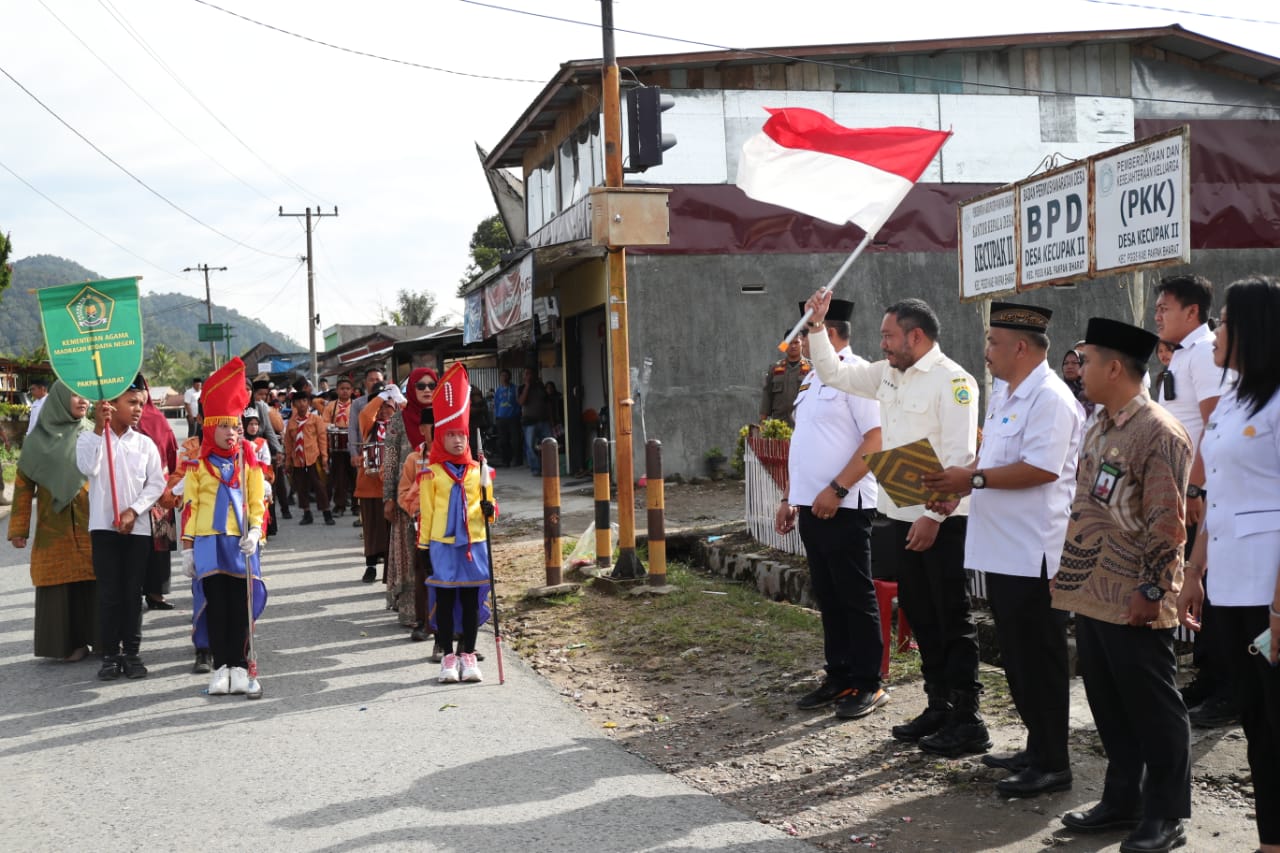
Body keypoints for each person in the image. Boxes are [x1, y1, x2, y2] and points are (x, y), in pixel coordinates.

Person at [804, 291, 985, 757]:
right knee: (921, 616)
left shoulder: (955, 381)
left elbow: (961, 458)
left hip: (941, 521)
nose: (882, 344)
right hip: (899, 514)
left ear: (916, 336)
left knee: (951, 617)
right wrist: (817, 326)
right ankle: (937, 705)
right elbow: (833, 372)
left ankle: (968, 717)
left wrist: (931, 516)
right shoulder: (887, 375)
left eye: (888, 336)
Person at [923, 302, 1083, 797]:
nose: (986, 351)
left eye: (993, 342)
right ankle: (1037, 746)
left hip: (1034, 552)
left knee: (1040, 658)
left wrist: (970, 477)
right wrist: (959, 488)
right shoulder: (1007, 394)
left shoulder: (1050, 399)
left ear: (1020, 346)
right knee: (1016, 658)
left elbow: (1042, 468)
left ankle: (1054, 763)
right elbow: (990, 457)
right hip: (1002, 549)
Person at [1052, 317, 1193, 853]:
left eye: (1086, 360)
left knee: (1155, 710)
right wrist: (1068, 576)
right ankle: (1121, 800)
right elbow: (1088, 505)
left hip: (1135, 595)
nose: (1078, 368)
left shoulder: (1158, 431)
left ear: (1115, 367)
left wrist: (1153, 591)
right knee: (1109, 705)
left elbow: (1167, 523)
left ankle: (1165, 814)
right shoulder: (1101, 425)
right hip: (1092, 590)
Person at [1176, 275, 1280, 853]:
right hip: (1231, 587)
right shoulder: (1234, 398)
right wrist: (1194, 575)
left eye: (1223, 321)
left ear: (1253, 328)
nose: (1215, 331)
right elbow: (1216, 496)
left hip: (1271, 592)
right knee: (1257, 721)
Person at [775, 299, 885, 720]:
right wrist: (790, 497)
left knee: (855, 596)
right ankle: (839, 675)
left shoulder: (855, 375)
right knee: (829, 594)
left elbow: (875, 439)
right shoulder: (810, 380)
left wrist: (837, 489)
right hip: (811, 506)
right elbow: (804, 444)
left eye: (805, 331)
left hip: (846, 504)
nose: (800, 340)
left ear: (828, 332)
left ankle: (869, 681)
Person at [1153, 273, 1234, 728]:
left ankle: (1228, 688)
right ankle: (1209, 677)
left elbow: (1212, 425)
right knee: (1196, 589)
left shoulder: (1204, 353)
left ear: (1192, 313)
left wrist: (1196, 488)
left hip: (1201, 492)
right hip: (1183, 487)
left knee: (1215, 591)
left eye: (1165, 308)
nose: (1158, 315)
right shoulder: (1184, 355)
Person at [179, 358, 268, 696]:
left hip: (240, 543)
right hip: (207, 544)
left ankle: (242, 666)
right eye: (225, 426)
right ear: (210, 427)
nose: (232, 432)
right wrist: (187, 549)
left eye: (236, 426)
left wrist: (257, 531)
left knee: (239, 608)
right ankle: (220, 667)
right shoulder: (197, 465)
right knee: (215, 606)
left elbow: (257, 502)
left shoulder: (250, 460)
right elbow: (190, 507)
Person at [77, 382, 166, 681]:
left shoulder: (144, 444)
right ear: (111, 405)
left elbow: (156, 484)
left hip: (137, 529)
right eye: (132, 402)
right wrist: (98, 429)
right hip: (103, 528)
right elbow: (87, 466)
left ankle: (132, 653)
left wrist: (134, 510)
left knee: (132, 593)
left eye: (141, 403)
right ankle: (110, 656)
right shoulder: (90, 439)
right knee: (109, 594)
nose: (139, 408)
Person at [7, 381, 96, 661]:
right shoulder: (37, 441)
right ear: (58, 399)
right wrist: (19, 529)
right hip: (52, 530)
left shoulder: (93, 432)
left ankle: (102, 640)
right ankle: (65, 645)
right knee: (59, 587)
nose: (84, 402)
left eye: (86, 397)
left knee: (95, 581)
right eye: (76, 396)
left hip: (91, 524)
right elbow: (23, 486)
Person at [418, 364, 496, 684]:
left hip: (474, 544)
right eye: (450, 435)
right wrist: (424, 547)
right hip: (443, 546)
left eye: (461, 435)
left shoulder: (481, 471)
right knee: (446, 602)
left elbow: (490, 514)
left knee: (469, 600)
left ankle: (468, 655)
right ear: (440, 437)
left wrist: (491, 508)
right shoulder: (431, 474)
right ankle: (447, 658)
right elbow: (426, 514)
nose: (457, 441)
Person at [382, 368, 437, 626]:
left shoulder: (445, 416)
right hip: (407, 502)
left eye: (431, 385)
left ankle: (439, 614)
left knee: (437, 558)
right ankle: (413, 613)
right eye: (421, 386)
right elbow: (391, 462)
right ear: (411, 390)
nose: (427, 390)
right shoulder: (398, 420)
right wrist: (388, 498)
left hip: (440, 502)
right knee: (411, 558)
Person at [133, 373, 179, 612]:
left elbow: (172, 453)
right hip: (131, 493)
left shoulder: (158, 419)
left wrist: (171, 486)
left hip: (159, 492)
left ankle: (156, 593)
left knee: (159, 545)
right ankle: (135, 593)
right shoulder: (117, 420)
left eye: (140, 390)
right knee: (134, 546)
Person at [356, 384, 396, 583]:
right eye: (379, 406)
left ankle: (390, 571)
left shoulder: (398, 428)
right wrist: (380, 397)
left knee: (391, 531)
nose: (383, 410)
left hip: (393, 486)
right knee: (371, 529)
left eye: (388, 406)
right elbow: (366, 413)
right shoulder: (368, 426)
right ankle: (370, 566)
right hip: (369, 486)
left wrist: (397, 398)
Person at [284, 390, 333, 526]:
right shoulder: (291, 422)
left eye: (304, 401)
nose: (301, 404)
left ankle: (326, 513)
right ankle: (306, 513)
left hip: (313, 457)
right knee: (301, 486)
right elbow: (288, 442)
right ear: (294, 404)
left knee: (319, 485)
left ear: (309, 403)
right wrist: (288, 460)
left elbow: (322, 439)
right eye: (298, 402)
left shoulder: (315, 419)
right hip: (298, 459)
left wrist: (324, 457)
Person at [348, 367, 385, 523]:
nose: (375, 382)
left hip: (385, 449)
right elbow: (353, 428)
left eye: (378, 379)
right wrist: (354, 453)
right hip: (365, 450)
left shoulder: (389, 399)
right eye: (372, 379)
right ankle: (363, 517)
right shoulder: (358, 403)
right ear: (365, 382)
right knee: (364, 483)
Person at [253, 378, 290, 519]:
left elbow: (272, 429)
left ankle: (281, 512)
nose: (262, 397)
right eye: (259, 394)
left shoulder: (266, 408)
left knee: (275, 482)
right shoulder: (243, 406)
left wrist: (279, 449)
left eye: (265, 395)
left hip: (267, 447)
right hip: (249, 449)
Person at [759, 332, 811, 427]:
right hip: (779, 425)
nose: (793, 346)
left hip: (803, 424)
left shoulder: (811, 369)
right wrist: (762, 423)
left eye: (796, 342)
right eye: (790, 343)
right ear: (784, 344)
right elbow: (767, 396)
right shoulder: (774, 369)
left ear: (802, 343)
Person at [323, 377, 356, 517]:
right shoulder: (331, 406)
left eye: (348, 389)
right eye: (342, 389)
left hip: (354, 444)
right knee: (339, 477)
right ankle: (339, 505)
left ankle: (356, 506)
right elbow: (323, 422)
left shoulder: (356, 405)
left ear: (352, 391)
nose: (345, 391)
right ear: (337, 390)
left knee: (355, 476)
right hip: (337, 446)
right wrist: (330, 426)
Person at [518, 367, 551, 475]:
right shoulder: (521, 387)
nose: (529, 376)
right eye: (526, 374)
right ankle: (536, 469)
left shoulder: (540, 386)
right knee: (530, 447)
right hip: (529, 422)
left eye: (531, 374)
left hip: (543, 420)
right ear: (523, 376)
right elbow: (521, 402)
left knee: (549, 445)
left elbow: (547, 401)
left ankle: (550, 468)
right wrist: (527, 386)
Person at [493, 369, 521, 467]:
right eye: (502, 376)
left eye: (506, 375)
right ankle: (506, 460)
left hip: (513, 417)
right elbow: (496, 404)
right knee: (503, 441)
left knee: (515, 440)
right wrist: (496, 417)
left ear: (510, 377)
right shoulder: (498, 390)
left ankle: (517, 459)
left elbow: (519, 402)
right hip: (501, 418)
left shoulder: (515, 388)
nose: (504, 378)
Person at [1061, 348, 1094, 420]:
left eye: (1074, 363)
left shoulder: (1093, 393)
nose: (1069, 366)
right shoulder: (1059, 392)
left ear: (1082, 365)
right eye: (1066, 363)